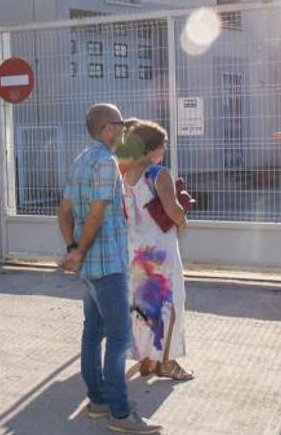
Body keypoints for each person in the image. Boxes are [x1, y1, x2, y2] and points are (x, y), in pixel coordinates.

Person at [57, 104, 161, 433]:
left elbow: (64, 211)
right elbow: (98, 213)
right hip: (108, 267)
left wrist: (73, 250)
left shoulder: (81, 160)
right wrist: (80, 250)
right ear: (106, 129)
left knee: (92, 334)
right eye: (119, 124)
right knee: (119, 339)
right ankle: (119, 412)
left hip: (89, 268)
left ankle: (98, 401)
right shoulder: (105, 163)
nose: (123, 130)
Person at [117, 119, 194, 382]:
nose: (165, 149)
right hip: (161, 248)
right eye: (164, 145)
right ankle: (168, 362)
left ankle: (147, 359)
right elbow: (172, 210)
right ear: (153, 148)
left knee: (144, 305)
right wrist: (183, 219)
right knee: (170, 304)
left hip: (137, 248)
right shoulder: (158, 173)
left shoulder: (126, 174)